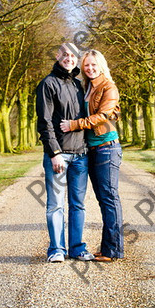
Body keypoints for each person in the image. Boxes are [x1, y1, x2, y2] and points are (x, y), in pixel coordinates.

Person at [61, 49, 124, 262]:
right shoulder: (87, 86)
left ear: (101, 65)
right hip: (93, 149)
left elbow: (102, 116)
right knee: (103, 200)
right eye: (86, 65)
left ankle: (113, 250)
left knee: (109, 199)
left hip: (107, 148)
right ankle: (107, 247)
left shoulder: (108, 86)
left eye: (93, 65)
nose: (89, 68)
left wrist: (74, 125)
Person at [36, 43, 94, 263]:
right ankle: (56, 250)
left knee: (78, 204)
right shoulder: (47, 84)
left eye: (73, 55)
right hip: (59, 155)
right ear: (58, 56)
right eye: (65, 55)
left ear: (76, 59)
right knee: (55, 205)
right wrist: (54, 153)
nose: (69, 58)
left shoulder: (80, 85)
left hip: (81, 155)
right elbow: (45, 122)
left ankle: (77, 248)